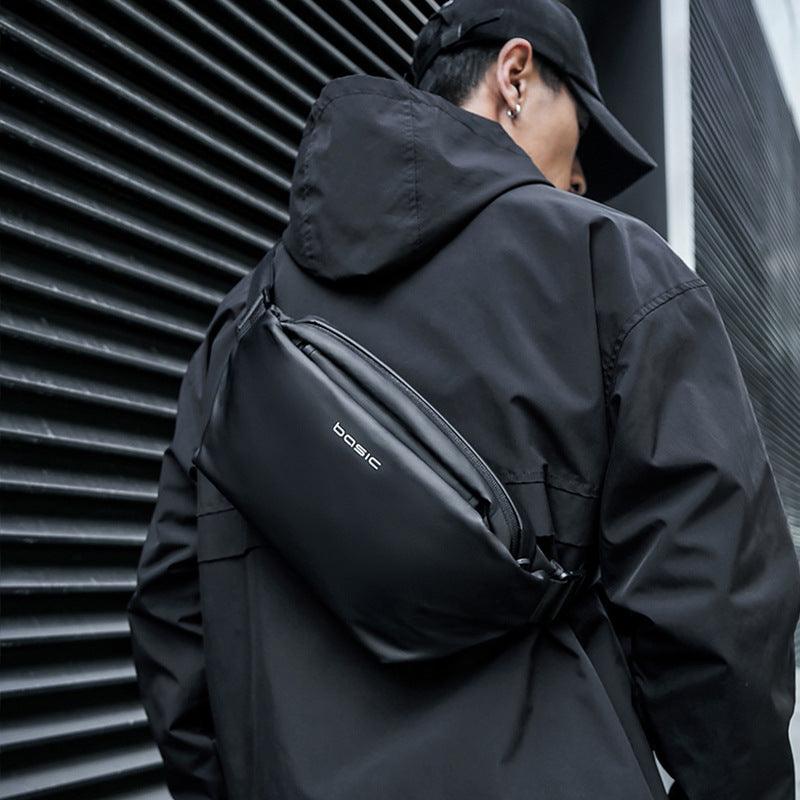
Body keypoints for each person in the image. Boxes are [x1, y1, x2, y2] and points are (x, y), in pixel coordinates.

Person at [126, 1, 800, 798]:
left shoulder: (241, 325)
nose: (581, 179)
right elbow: (719, 630)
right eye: (581, 133)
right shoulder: (615, 276)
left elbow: (175, 623)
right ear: (515, 76)